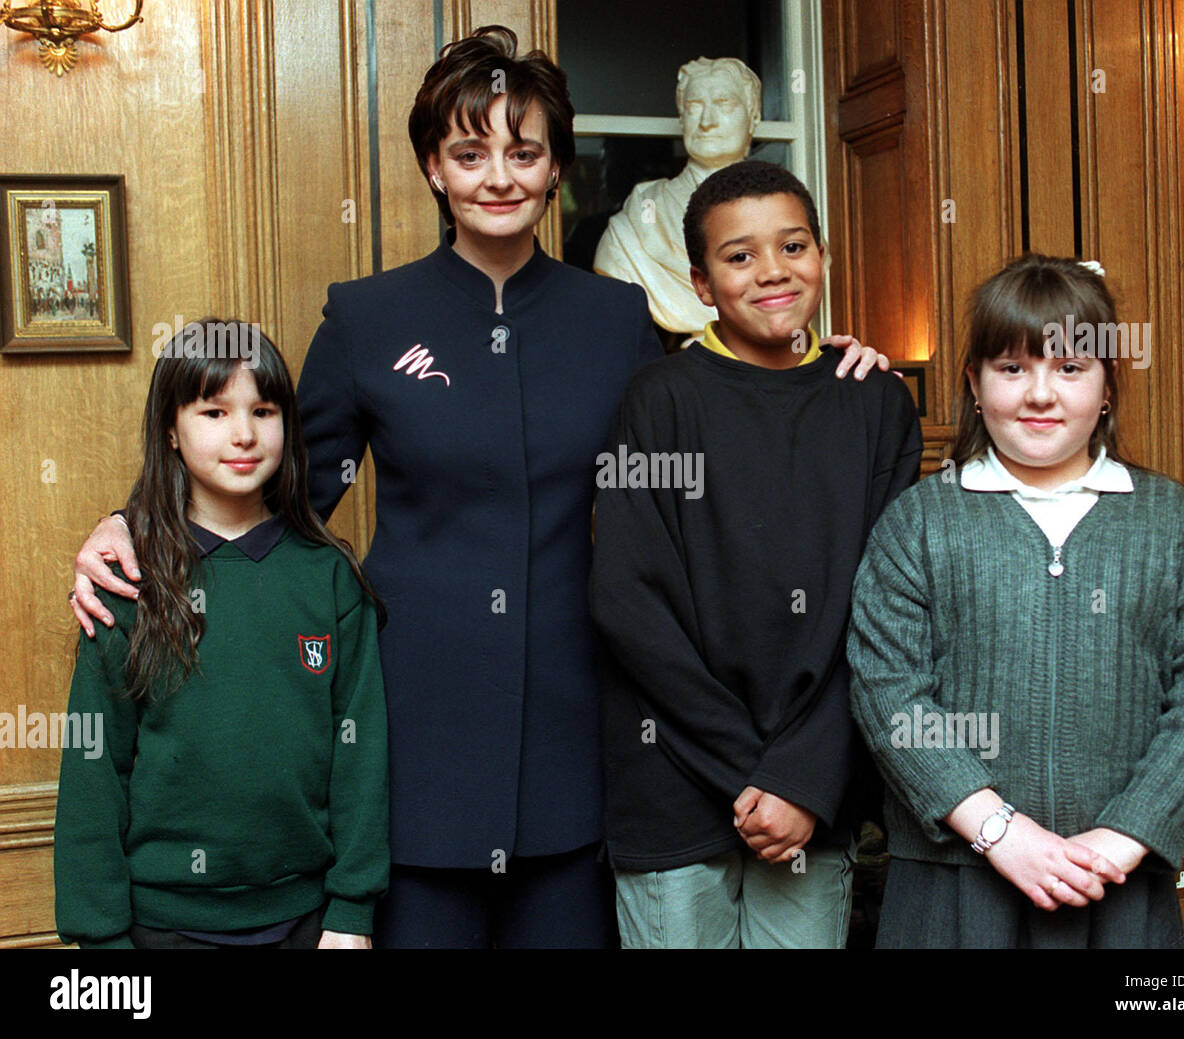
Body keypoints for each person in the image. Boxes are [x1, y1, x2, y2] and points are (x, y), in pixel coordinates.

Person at [69, 27, 885, 949]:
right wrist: (130, 523)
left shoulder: (616, 317)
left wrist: (833, 367)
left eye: (524, 152)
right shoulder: (368, 316)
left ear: (553, 171)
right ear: (434, 168)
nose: (499, 174)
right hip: (417, 728)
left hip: (586, 734)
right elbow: (277, 489)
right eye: (470, 152)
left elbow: (725, 427)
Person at [846, 254, 1184, 948]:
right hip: (954, 886)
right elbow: (890, 694)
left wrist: (1122, 838)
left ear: (1108, 385)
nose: (1040, 394)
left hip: (1117, 885)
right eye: (1011, 368)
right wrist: (1000, 831)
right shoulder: (917, 523)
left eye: (1069, 368)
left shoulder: (1175, 525)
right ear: (973, 383)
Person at [590, 161, 923, 948]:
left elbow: (888, 612)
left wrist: (803, 779)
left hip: (813, 791)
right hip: (673, 779)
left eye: (794, 245)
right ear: (702, 285)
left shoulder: (874, 400)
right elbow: (628, 602)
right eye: (739, 256)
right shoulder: (658, 399)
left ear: (823, 257)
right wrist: (755, 770)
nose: (773, 270)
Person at [54, 319, 388, 949]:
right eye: (213, 412)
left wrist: (352, 911)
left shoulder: (331, 579)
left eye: (263, 410)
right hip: (158, 926)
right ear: (171, 434)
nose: (243, 434)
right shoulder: (125, 582)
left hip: (308, 920)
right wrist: (100, 940)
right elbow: (93, 772)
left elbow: (361, 759)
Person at [594, 57, 761, 340]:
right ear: (682, 119)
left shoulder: (789, 218)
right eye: (695, 107)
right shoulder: (639, 219)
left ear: (753, 118)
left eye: (724, 104)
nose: (707, 122)